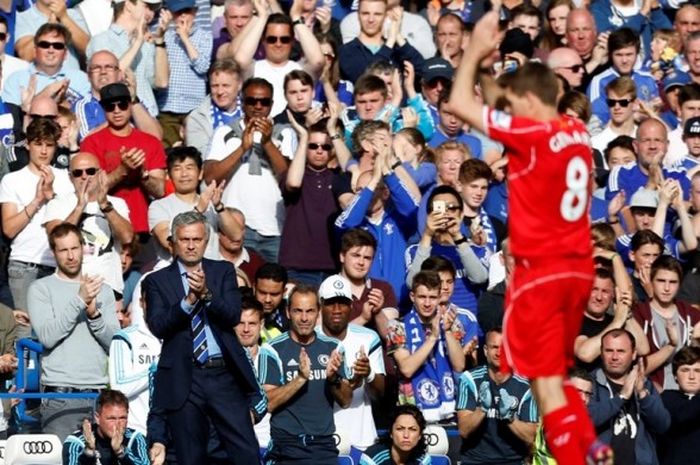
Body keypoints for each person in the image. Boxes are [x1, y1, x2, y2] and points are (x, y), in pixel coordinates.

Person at [449, 11, 609, 465]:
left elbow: (462, 103)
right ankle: (589, 446)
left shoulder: (533, 134)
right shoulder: (575, 131)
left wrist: (475, 49)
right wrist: (490, 69)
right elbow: (502, 95)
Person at [143, 211, 265, 464]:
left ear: (206, 240)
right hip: (183, 378)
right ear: (173, 242)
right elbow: (158, 325)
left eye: (197, 239)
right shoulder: (156, 280)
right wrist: (188, 302)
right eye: (185, 239)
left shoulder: (223, 271)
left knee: (246, 453)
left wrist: (206, 294)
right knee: (191, 457)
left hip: (224, 375)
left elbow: (233, 315)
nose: (190, 245)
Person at [27, 223, 120, 440]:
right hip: (60, 396)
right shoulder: (40, 288)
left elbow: (115, 344)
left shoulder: (103, 290)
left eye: (75, 248)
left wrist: (94, 315)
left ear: (83, 247)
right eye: (63, 250)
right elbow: (48, 337)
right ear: (54, 253)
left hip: (98, 395)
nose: (70, 256)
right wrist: (79, 300)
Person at [261, 283, 353, 464]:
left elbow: (346, 400)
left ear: (318, 312)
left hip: (324, 446)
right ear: (288, 312)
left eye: (310, 311)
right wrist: (300, 378)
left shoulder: (333, 347)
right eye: (298, 311)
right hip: (286, 446)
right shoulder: (272, 349)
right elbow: (268, 403)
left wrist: (333, 378)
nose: (304, 318)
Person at [203, 77, 293, 263]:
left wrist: (267, 143)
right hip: (236, 229)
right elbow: (209, 177)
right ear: (242, 103)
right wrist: (241, 148)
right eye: (252, 101)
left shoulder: (285, 133)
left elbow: (289, 178)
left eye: (264, 102)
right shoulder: (224, 132)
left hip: (275, 228)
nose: (258, 106)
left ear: (272, 104)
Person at [0, 118, 73, 336]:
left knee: (56, 333)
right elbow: (9, 228)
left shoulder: (66, 179)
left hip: (58, 265)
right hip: (23, 265)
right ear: (28, 144)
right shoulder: (12, 180)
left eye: (49, 145)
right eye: (38, 143)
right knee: (24, 335)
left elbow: (71, 224)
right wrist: (37, 199)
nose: (43, 151)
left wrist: (53, 196)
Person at [80, 82, 167, 237]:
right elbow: (91, 190)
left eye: (122, 105)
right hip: (104, 227)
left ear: (130, 104)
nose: (117, 110)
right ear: (103, 108)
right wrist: (123, 170)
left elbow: (160, 191)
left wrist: (142, 174)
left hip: (142, 226)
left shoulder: (151, 142)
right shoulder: (91, 143)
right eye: (110, 106)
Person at [44, 152, 134, 296]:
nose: (84, 176)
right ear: (70, 177)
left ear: (100, 174)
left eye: (91, 171)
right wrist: (80, 206)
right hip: (70, 288)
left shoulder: (116, 203)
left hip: (108, 287)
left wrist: (104, 204)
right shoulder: (58, 203)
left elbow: (127, 237)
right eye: (78, 173)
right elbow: (55, 238)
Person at [318, 274, 386, 452]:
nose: (337, 309)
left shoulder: (368, 338)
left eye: (343, 302)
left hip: (361, 438)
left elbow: (380, 394)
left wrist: (369, 374)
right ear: (320, 305)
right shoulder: (309, 340)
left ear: (351, 305)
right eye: (331, 302)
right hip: (321, 441)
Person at [386, 271, 465, 422]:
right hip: (412, 411)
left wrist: (447, 331)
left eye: (432, 297)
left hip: (448, 407)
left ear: (440, 297)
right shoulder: (397, 326)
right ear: (412, 297)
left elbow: (459, 365)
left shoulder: (451, 323)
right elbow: (407, 369)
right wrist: (433, 337)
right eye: (422, 297)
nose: (427, 303)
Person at [588, 329, 671, 465]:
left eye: (621, 351)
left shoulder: (645, 385)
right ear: (601, 353)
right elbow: (585, 420)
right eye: (609, 350)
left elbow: (663, 425)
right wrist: (621, 397)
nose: (614, 357)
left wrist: (643, 394)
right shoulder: (590, 383)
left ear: (633, 354)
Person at [456, 328, 539, 465]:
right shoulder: (469, 379)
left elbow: (530, 436)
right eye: (494, 347)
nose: (499, 353)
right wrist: (482, 409)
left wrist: (509, 418)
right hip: (474, 460)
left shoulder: (526, 386)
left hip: (512, 461)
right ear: (485, 350)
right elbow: (464, 430)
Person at [232, 0, 324, 117]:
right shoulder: (254, 68)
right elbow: (240, 60)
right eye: (272, 39)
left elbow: (318, 61)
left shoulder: (300, 69)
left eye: (284, 39)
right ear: (263, 41)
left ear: (291, 41)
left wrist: (296, 18)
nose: (278, 44)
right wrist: (262, 17)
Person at [148, 146, 233, 268]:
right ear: (169, 175)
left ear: (200, 173)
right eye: (177, 169)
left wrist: (219, 206)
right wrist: (198, 210)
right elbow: (169, 243)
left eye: (189, 168)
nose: (184, 174)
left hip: (211, 272)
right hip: (175, 275)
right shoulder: (159, 206)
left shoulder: (211, 203)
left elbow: (235, 235)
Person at [86, 0, 169, 118]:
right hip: (118, 117)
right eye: (147, 6)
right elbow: (110, 79)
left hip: (148, 117)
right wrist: (138, 42)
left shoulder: (146, 44)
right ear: (128, 5)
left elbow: (162, 82)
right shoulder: (102, 40)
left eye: (153, 8)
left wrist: (160, 41)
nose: (151, 12)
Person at [632, 255, 700, 392]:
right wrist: (670, 346)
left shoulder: (692, 315)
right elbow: (636, 368)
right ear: (651, 281)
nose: (667, 288)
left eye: (673, 282)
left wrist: (695, 343)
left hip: (690, 397)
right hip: (653, 394)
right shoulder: (638, 315)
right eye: (661, 281)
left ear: (680, 284)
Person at [73, 50, 162, 141]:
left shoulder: (135, 102)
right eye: (96, 68)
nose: (103, 71)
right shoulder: (83, 105)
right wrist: (116, 120)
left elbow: (155, 138)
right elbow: (86, 141)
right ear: (88, 76)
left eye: (109, 67)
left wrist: (133, 100)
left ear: (119, 74)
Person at [158, 0, 213, 147]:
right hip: (168, 107)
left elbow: (203, 67)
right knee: (168, 153)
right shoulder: (166, 37)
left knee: (195, 151)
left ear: (195, 12)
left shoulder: (204, 36)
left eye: (187, 11)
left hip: (193, 108)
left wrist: (185, 38)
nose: (183, 16)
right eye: (178, 12)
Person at [575, 268, 649, 373]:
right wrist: (618, 321)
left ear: (613, 295)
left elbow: (643, 349)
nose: (599, 297)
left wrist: (626, 311)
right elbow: (585, 355)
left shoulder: (616, 320)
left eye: (605, 291)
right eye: (594, 290)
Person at [338, 0, 424, 83]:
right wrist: (390, 42)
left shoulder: (397, 49)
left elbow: (423, 71)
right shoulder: (346, 51)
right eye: (365, 13)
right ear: (358, 15)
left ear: (385, 16)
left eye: (377, 14)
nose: (371, 19)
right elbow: (369, 80)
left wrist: (397, 35)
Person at [63, 389, 150, 464]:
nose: (118, 424)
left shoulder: (135, 438)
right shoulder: (77, 441)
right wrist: (88, 453)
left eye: (122, 418)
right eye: (111, 419)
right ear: (97, 418)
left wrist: (121, 452)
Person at [234, 292, 275, 447]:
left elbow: (269, 400)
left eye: (251, 323)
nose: (246, 329)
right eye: (240, 323)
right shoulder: (220, 358)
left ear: (261, 324)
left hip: (262, 444)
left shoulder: (269, 357)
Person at [185, 59, 243, 156]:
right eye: (215, 86)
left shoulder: (254, 109)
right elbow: (200, 158)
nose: (220, 92)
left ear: (239, 85)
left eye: (226, 85)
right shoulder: (197, 118)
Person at [658, 346, 700, 465]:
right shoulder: (667, 398)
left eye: (698, 371)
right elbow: (683, 415)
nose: (692, 376)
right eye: (685, 370)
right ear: (675, 375)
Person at [358, 404, 430, 465]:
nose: (406, 435)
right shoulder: (372, 458)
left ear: (420, 435)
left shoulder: (423, 459)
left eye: (412, 429)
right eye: (400, 429)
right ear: (391, 433)